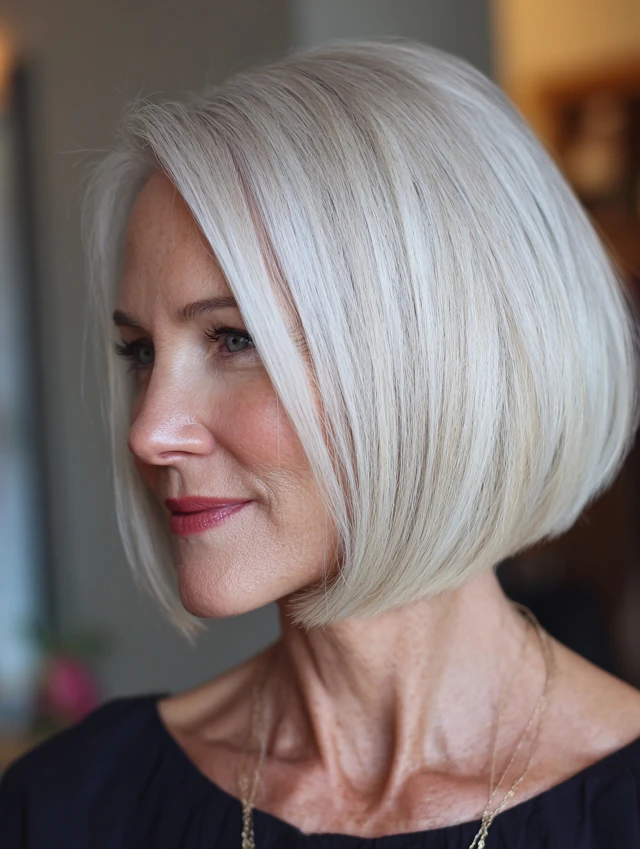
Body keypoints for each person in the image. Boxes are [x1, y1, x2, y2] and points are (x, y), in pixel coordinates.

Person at [2, 38, 640, 849]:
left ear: (435, 363)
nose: (149, 430)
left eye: (233, 339)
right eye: (140, 352)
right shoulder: (71, 806)